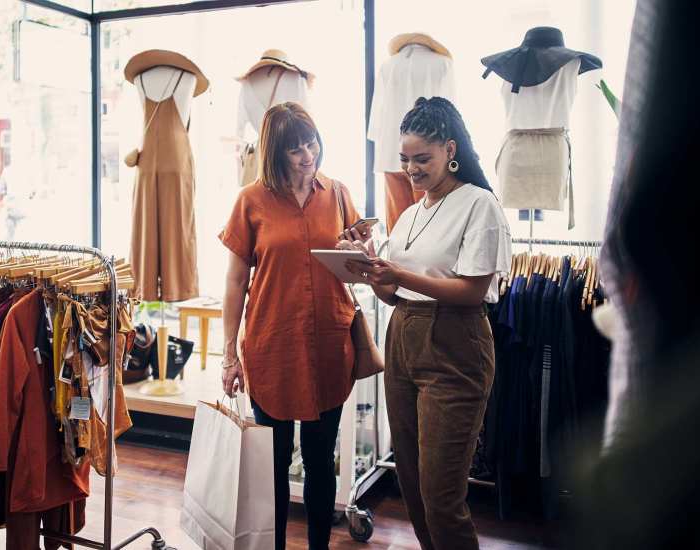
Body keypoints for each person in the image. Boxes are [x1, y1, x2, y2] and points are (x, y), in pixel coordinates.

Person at [345, 97, 512, 550]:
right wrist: (367, 265)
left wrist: (397, 273)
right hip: (403, 338)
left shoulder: (478, 204)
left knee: (441, 495)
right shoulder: (411, 214)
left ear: (450, 150)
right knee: (414, 486)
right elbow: (393, 293)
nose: (412, 169)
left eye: (423, 159)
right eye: (405, 160)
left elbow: (473, 291)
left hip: (455, 344)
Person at [219, 101, 372, 550]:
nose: (309, 155)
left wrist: (360, 250)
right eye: (295, 150)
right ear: (275, 154)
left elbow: (357, 267)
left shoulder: (339, 193)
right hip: (273, 347)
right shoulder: (250, 201)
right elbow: (234, 281)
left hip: (329, 344)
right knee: (275, 462)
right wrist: (229, 354)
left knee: (322, 460)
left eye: (312, 143)